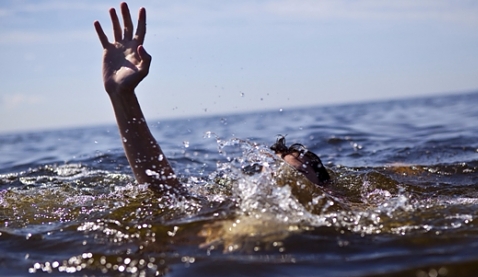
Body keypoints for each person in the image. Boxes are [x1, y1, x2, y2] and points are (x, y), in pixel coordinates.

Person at [94, 3, 330, 195]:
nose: (280, 180)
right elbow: (166, 193)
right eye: (274, 173)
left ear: (326, 190)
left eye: (295, 174)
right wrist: (121, 96)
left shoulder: (337, 213)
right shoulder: (230, 210)